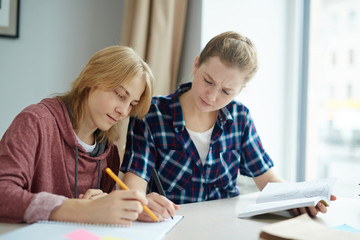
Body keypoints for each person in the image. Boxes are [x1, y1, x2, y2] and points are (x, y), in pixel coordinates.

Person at [121, 31, 336, 219]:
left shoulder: (240, 118)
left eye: (226, 92)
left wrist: (301, 198)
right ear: (196, 65)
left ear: (239, 91)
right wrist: (144, 201)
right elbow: (134, 185)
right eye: (208, 81)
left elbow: (266, 178)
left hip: (227, 227)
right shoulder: (151, 115)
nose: (212, 96)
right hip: (173, 225)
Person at [0, 45, 164, 226]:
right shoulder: (35, 122)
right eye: (119, 95)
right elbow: (3, 193)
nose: (123, 111)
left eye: (132, 104)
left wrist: (111, 204)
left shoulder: (110, 151)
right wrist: (82, 209)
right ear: (91, 79)